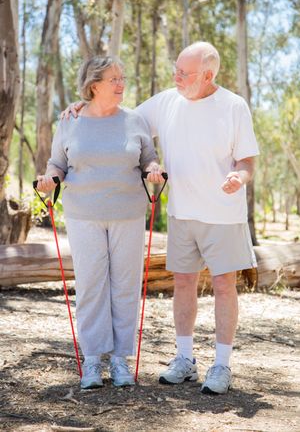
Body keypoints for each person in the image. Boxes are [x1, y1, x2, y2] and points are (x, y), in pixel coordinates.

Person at [62, 41, 259, 395]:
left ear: (208, 75)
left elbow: (246, 162)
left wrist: (238, 178)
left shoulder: (233, 106)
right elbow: (115, 118)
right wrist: (82, 105)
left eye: (184, 73)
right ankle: (184, 359)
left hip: (223, 216)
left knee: (224, 286)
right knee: (183, 284)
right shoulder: (167, 101)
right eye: (176, 69)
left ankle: (222, 365)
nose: (176, 76)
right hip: (181, 213)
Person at [37, 55, 164, 389]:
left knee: (125, 285)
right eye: (114, 79)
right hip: (83, 215)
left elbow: (148, 158)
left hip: (129, 214)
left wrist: (152, 170)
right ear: (94, 85)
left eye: (123, 77)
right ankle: (92, 360)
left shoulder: (134, 120)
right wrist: (50, 178)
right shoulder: (70, 120)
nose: (121, 84)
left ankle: (121, 360)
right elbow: (57, 163)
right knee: (92, 285)